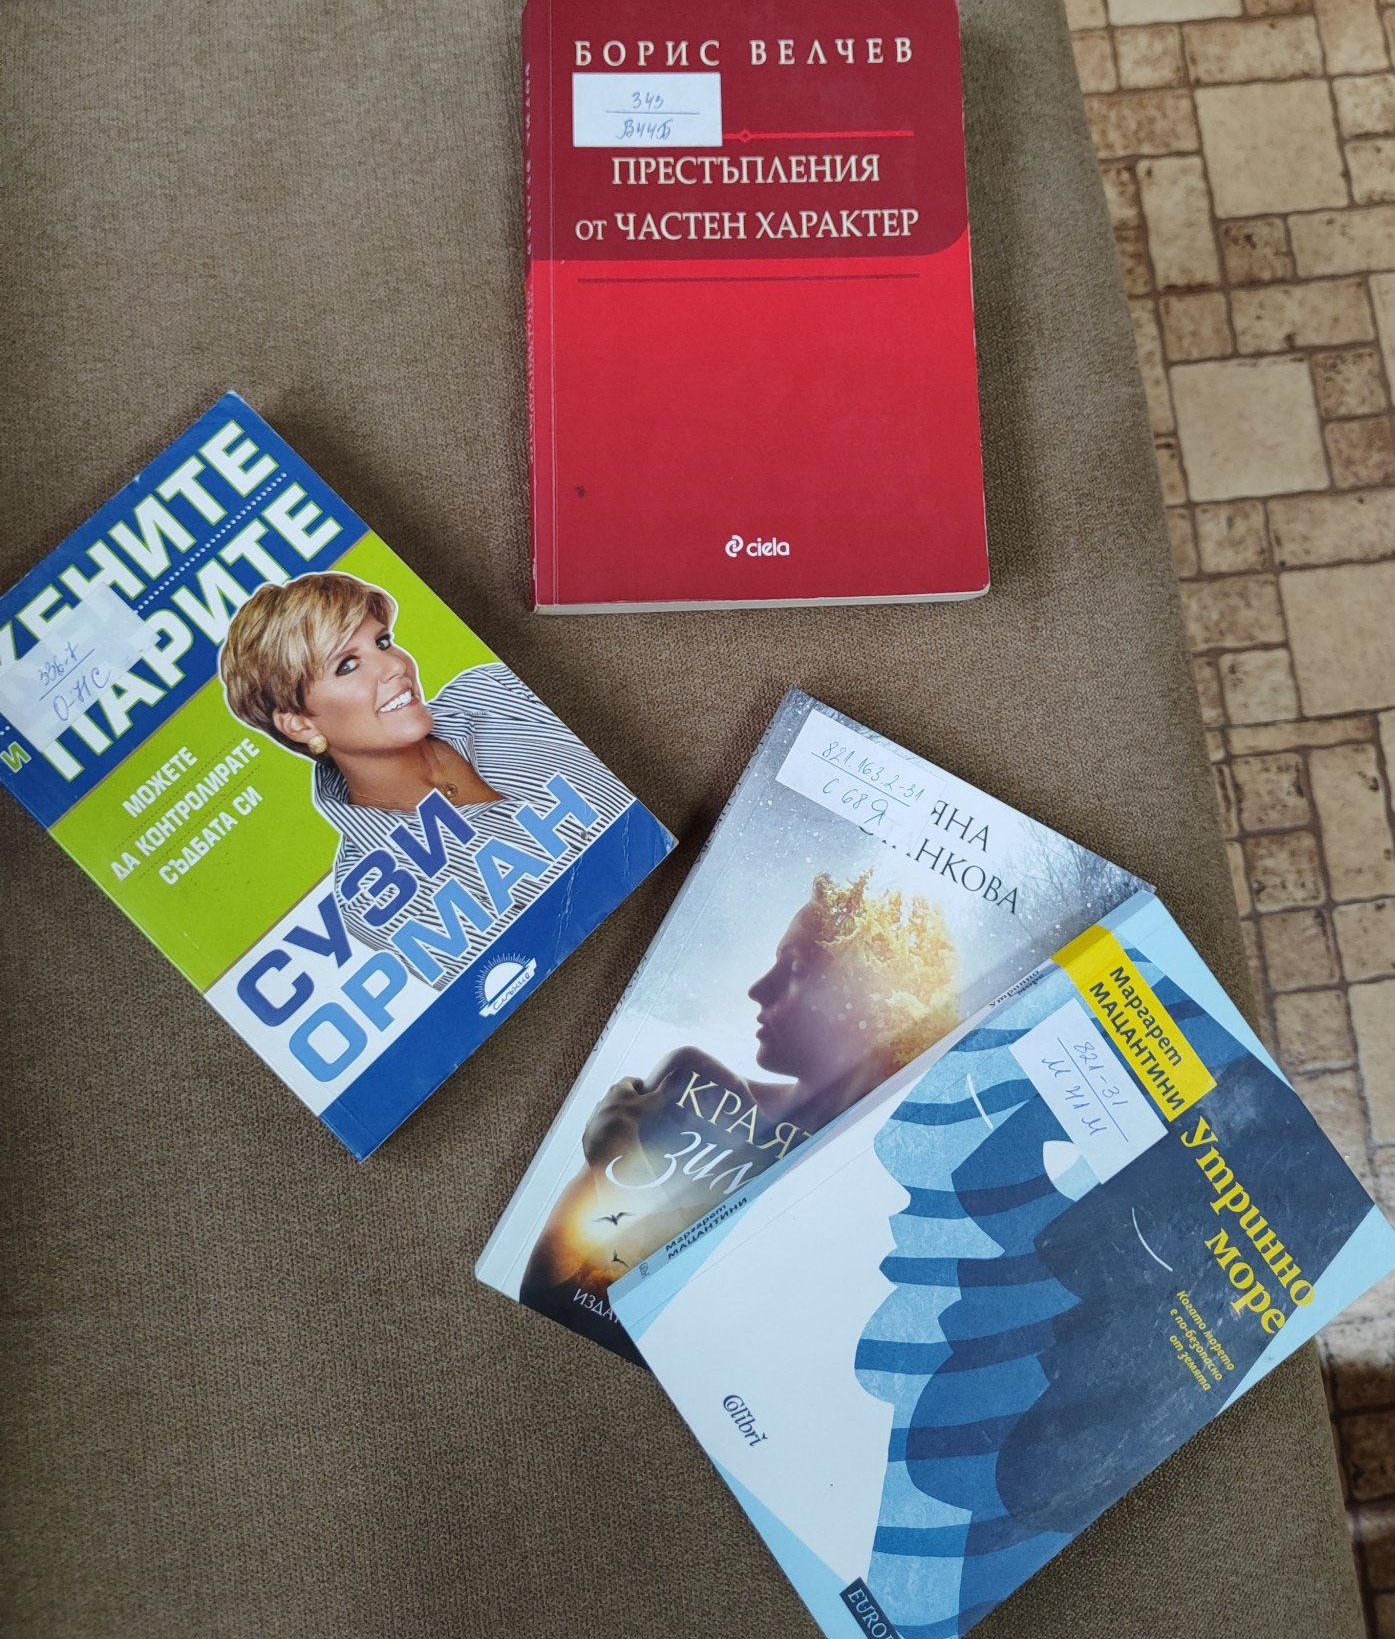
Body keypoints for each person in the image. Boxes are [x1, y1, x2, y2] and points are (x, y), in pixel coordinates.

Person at [519, 870, 960, 1358]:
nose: (758, 988)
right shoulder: (692, 1085)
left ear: (865, 1000)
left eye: (794, 969)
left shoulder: (881, 1188)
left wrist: (619, 1160)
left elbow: (728, 1341)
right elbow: (545, 1296)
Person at [219, 571, 633, 979]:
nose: (395, 666)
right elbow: (521, 964)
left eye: (383, 642)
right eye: (347, 665)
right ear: (300, 724)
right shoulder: (370, 895)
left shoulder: (491, 690)